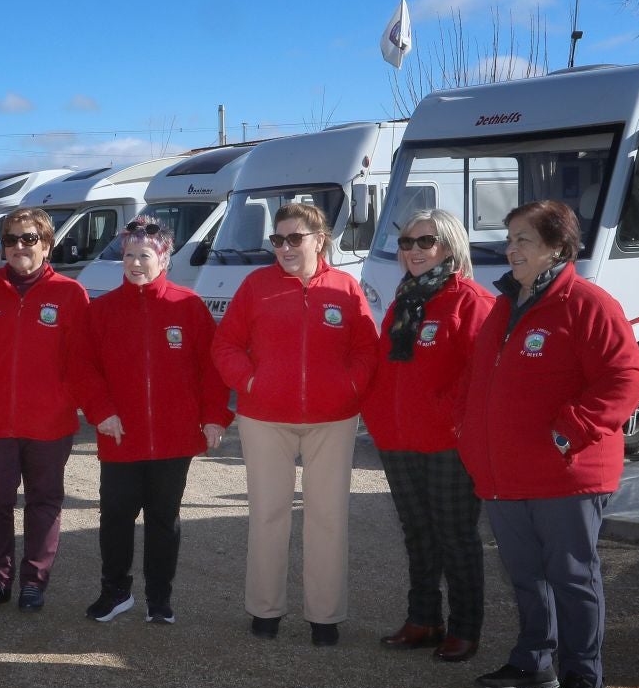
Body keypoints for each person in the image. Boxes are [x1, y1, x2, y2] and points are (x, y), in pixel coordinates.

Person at [458, 200, 639, 688]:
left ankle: (586, 680)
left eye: (523, 240)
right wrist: (467, 434)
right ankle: (535, 660)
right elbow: (478, 381)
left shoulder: (588, 304)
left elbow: (624, 379)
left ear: (557, 248)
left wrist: (570, 433)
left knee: (571, 576)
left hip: (567, 474)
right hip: (504, 474)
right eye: (510, 238)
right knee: (525, 574)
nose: (510, 249)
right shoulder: (504, 304)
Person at [212, 201, 378, 647]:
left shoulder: (345, 288)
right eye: (277, 239)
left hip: (332, 420)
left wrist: (349, 387)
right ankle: (265, 611)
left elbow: (367, 349)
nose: (284, 248)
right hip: (265, 419)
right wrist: (250, 381)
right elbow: (225, 345)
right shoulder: (256, 286)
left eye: (293, 239)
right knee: (268, 515)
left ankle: (325, 617)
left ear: (319, 239)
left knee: (328, 518)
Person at [73, 216, 231, 625]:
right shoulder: (102, 310)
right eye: (128, 255)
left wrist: (214, 417)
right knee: (116, 517)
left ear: (164, 258)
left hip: (174, 437)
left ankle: (159, 598)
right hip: (120, 434)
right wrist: (101, 411)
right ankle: (115, 591)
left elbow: (211, 370)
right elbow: (83, 368)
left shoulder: (188, 306)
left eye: (145, 255)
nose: (135, 263)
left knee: (164, 519)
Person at [363, 209, 495, 662]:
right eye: (406, 243)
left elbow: (482, 374)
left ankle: (464, 628)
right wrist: (377, 414)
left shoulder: (469, 300)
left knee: (455, 535)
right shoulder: (405, 300)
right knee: (417, 534)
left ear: (450, 246)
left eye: (426, 242)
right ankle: (423, 619)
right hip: (398, 439)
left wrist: (450, 418)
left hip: (447, 442)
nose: (414, 251)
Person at [0, 206, 90, 611]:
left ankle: (34, 582)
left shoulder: (69, 294)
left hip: (49, 424)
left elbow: (82, 360)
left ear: (46, 244)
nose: (19, 246)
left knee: (44, 502)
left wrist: (66, 400)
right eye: (10, 239)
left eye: (29, 238)